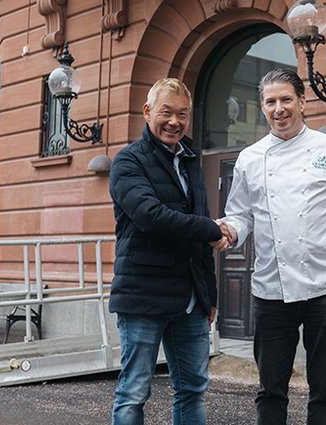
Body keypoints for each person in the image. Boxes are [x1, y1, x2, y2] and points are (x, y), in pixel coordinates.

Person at [217, 68, 326, 425]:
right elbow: (240, 215)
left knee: (324, 388)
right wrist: (230, 230)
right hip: (270, 291)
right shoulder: (249, 158)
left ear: (303, 102)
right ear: (262, 107)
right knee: (270, 389)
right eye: (270, 101)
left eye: (286, 99)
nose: (279, 108)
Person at [108, 78, 227, 425]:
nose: (175, 121)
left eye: (183, 114)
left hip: (190, 301)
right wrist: (213, 230)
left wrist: (210, 294)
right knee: (134, 392)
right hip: (144, 296)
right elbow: (151, 217)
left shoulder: (190, 161)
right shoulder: (128, 161)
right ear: (147, 112)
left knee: (192, 390)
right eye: (166, 112)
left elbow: (198, 228)